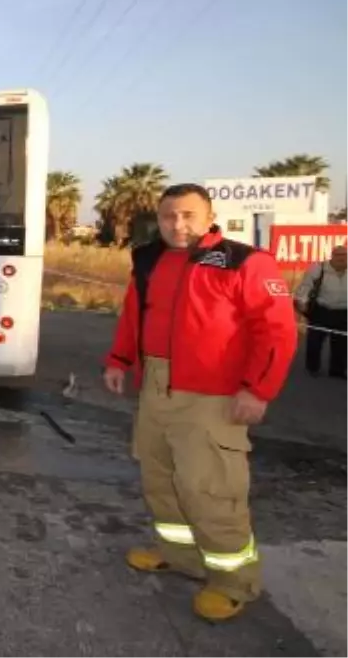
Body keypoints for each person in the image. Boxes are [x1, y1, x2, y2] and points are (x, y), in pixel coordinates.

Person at [102, 183, 297, 622]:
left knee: (211, 489)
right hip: (155, 383)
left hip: (213, 394)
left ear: (210, 217)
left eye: (189, 215)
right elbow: (135, 314)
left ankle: (234, 582)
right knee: (161, 476)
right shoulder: (148, 258)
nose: (178, 225)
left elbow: (277, 331)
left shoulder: (244, 262)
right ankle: (181, 555)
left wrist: (257, 389)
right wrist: (118, 360)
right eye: (170, 216)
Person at [293, 245, 348, 378]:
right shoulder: (319, 268)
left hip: (344, 312)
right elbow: (305, 287)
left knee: (341, 343)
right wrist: (301, 302)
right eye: (339, 256)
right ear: (332, 256)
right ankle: (313, 367)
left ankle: (337, 371)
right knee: (315, 341)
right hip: (322, 310)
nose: (343, 259)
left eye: (345, 256)